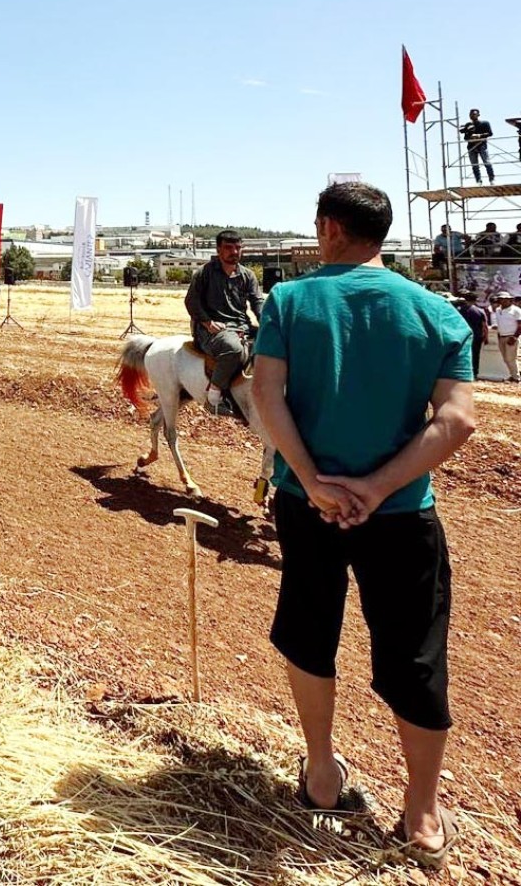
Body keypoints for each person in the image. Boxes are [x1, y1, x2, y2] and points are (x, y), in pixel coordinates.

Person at [252, 181, 475, 871]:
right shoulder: (438, 314)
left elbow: (265, 396)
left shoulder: (289, 301)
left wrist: (318, 483)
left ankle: (321, 775)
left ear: (328, 229)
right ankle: (423, 815)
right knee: (413, 653)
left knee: (310, 628)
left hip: (307, 506)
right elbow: (458, 420)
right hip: (403, 513)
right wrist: (379, 487)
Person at [185, 229, 265, 416]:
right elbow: (191, 302)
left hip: (241, 326)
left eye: (238, 248)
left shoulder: (248, 275)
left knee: (275, 340)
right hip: (211, 329)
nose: (234, 252)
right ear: (218, 249)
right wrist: (207, 323)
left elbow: (257, 303)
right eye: (229, 248)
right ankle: (213, 397)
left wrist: (268, 324)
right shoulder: (204, 273)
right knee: (234, 349)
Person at [453, 295, 488, 379]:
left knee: (463, 354)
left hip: (463, 336)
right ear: (475, 300)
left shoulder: (459, 310)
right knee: (476, 355)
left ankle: (464, 372)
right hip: (476, 336)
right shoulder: (480, 311)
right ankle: (475, 373)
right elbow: (484, 326)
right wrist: (486, 337)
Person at [460, 109, 495, 185]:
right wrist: (471, 137)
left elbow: (490, 133)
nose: (472, 116)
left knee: (487, 163)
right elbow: (465, 138)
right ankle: (478, 181)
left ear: (478, 115)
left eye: (474, 114)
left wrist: (479, 135)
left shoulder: (485, 123)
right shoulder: (468, 125)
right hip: (471, 147)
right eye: (471, 114)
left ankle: (491, 179)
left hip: (482, 146)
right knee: (475, 165)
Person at [492, 291, 521, 382]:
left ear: (510, 300)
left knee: (511, 358)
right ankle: (513, 375)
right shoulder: (498, 310)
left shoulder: (516, 310)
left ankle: (516, 377)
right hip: (501, 336)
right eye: (501, 299)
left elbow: (520, 325)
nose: (503, 301)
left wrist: (515, 337)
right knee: (506, 359)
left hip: (511, 336)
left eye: (505, 299)